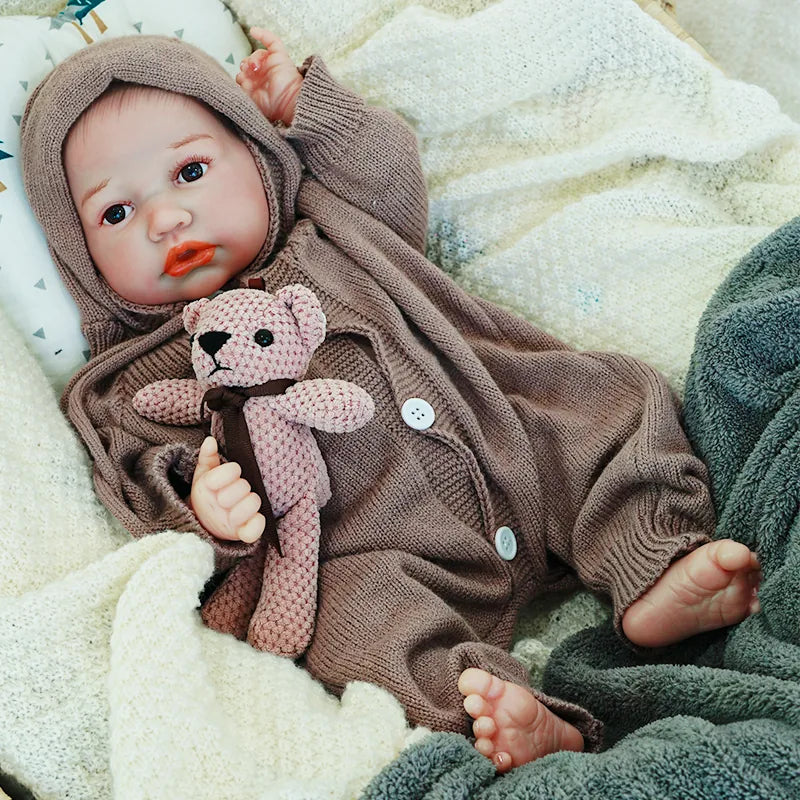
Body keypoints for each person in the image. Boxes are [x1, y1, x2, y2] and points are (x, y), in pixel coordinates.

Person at [20, 29, 761, 772]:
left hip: (506, 435)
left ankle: (653, 560)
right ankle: (494, 712)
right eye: (115, 214)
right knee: (354, 635)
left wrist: (308, 107)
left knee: (610, 402)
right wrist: (205, 512)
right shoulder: (134, 379)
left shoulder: (334, 227)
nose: (165, 218)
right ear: (79, 259)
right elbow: (140, 489)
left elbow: (389, 175)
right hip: (378, 554)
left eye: (189, 170)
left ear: (256, 154)